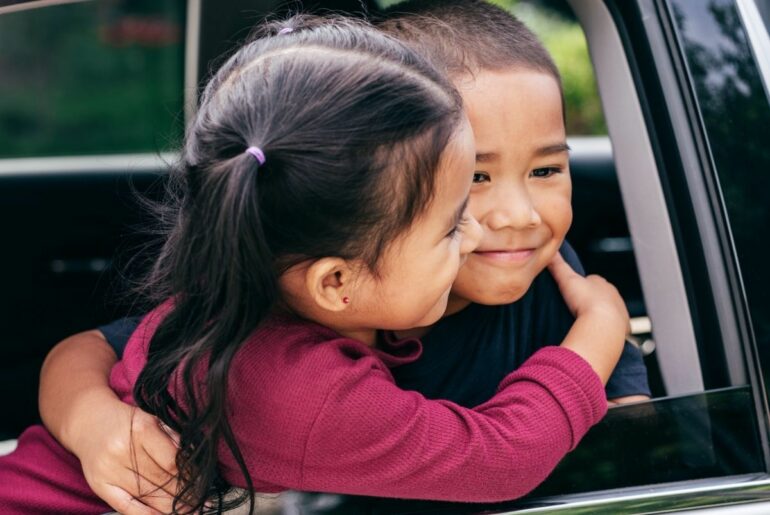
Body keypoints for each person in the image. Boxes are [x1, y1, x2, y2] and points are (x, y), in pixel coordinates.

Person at [0, 13, 628, 515]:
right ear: (336, 282)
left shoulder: (256, 291)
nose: (486, 227)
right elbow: (497, 459)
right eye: (457, 208)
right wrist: (600, 330)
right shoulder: (295, 386)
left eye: (546, 168)